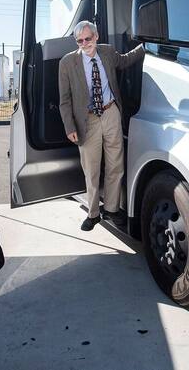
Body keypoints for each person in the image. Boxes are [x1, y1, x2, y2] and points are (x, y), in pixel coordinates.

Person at [58, 20, 145, 231]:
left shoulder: (106, 52)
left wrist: (145, 46)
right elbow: (65, 99)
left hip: (110, 112)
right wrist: (70, 127)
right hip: (86, 120)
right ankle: (93, 214)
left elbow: (125, 61)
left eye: (88, 38)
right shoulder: (67, 63)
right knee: (92, 169)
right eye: (79, 41)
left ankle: (112, 210)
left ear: (96, 36)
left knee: (116, 164)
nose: (84, 43)